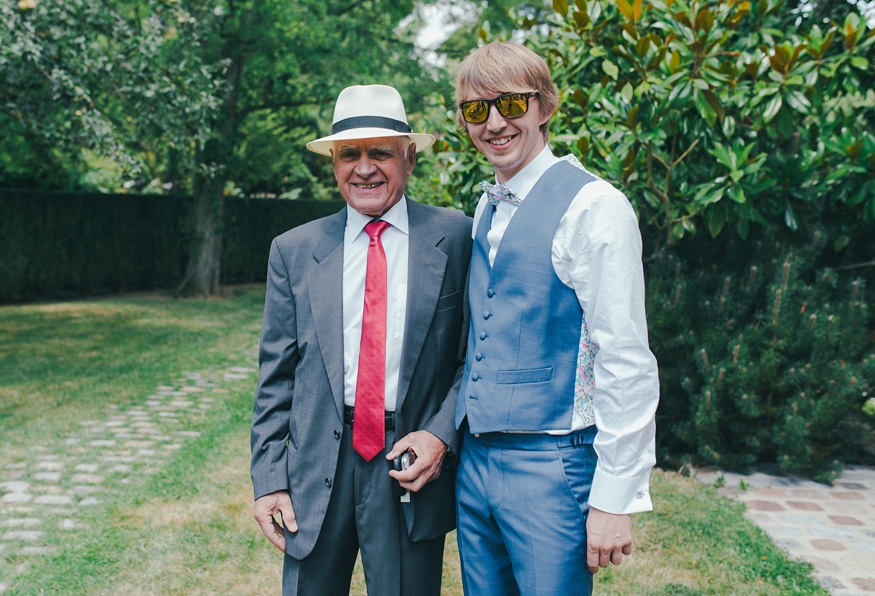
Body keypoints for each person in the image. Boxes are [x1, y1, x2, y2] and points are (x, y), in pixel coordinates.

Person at [453, 41, 660, 595]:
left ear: (544, 107)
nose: (495, 123)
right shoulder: (486, 205)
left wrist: (615, 497)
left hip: (551, 465)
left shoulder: (595, 206)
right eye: (476, 109)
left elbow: (625, 357)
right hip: (476, 461)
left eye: (510, 104)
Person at [250, 84, 472, 596]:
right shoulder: (294, 250)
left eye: (381, 153)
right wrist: (269, 478)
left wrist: (440, 436)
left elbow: (473, 357)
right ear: (334, 163)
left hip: (409, 462)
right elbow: (276, 379)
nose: (365, 168)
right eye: (350, 154)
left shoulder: (458, 237)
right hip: (315, 466)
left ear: (409, 158)